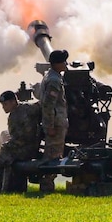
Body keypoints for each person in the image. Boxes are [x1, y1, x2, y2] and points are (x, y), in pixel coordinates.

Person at [0, 90, 42, 193]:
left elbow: (25, 137)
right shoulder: (19, 112)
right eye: (3, 105)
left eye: (5, 104)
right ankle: (11, 187)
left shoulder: (23, 112)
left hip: (25, 149)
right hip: (22, 148)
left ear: (13, 101)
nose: (4, 107)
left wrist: (8, 146)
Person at [38, 49, 69, 193]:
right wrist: (50, 126)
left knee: (53, 154)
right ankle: (46, 186)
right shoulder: (54, 80)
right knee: (52, 155)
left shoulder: (51, 76)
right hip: (56, 124)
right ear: (57, 64)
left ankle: (47, 185)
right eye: (63, 61)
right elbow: (48, 105)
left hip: (56, 122)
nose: (66, 64)